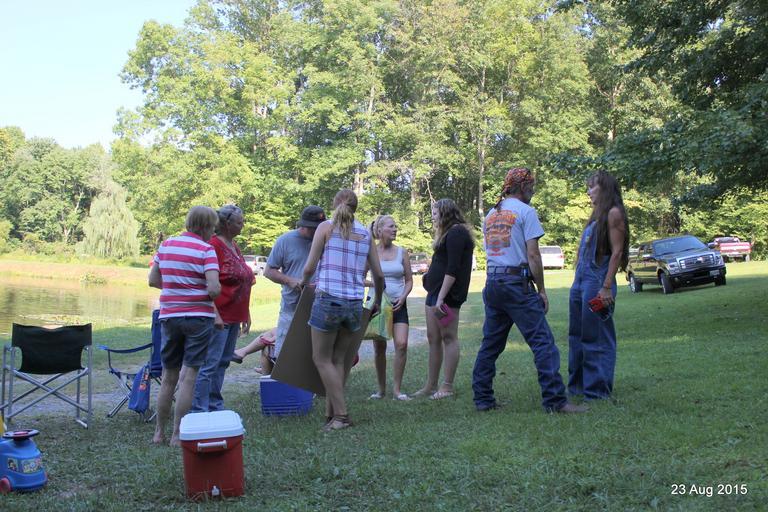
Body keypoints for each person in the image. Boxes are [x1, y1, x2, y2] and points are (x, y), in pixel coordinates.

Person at [471, 168, 586, 413]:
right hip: (516, 285)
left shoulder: (491, 214)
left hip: (493, 284)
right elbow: (533, 255)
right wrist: (541, 289)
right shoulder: (526, 212)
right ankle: (555, 401)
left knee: (491, 344)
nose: (533, 191)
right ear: (523, 187)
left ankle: (482, 399)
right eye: (531, 187)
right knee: (543, 343)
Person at [301, 190, 384, 431]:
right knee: (338, 359)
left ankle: (342, 415)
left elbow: (309, 267)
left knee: (321, 358)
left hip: (328, 299)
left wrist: (303, 283)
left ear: (335, 204)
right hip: (354, 303)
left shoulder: (325, 228)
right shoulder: (365, 233)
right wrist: (377, 300)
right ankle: (331, 414)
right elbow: (378, 275)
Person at [148, 206, 220, 446]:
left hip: (169, 317)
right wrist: (203, 291)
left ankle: (159, 433)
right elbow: (213, 289)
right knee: (188, 377)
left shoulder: (167, 245)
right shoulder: (206, 250)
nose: (213, 232)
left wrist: (175, 289)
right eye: (213, 227)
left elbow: (153, 280)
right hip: (198, 319)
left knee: (168, 377)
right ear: (206, 227)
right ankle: (177, 435)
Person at [234, 205, 327, 374]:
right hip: (292, 306)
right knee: (285, 353)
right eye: (313, 228)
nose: (316, 232)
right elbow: (269, 271)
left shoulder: (327, 240)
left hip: (321, 306)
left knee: (315, 354)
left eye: (319, 228)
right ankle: (282, 381)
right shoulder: (285, 241)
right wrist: (290, 281)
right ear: (303, 225)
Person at [568, 170, 629, 400]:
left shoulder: (614, 213)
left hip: (597, 282)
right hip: (581, 280)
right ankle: (577, 387)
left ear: (604, 188)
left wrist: (606, 287)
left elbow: (617, 253)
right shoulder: (596, 215)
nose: (588, 191)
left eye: (592, 187)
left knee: (597, 336)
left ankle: (597, 390)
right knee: (576, 335)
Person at [191, 204, 254, 412]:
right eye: (239, 222)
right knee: (210, 363)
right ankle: (199, 408)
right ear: (227, 224)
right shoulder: (214, 246)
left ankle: (214, 404)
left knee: (223, 361)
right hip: (218, 316)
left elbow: (244, 279)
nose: (243, 225)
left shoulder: (234, 246)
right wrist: (215, 314)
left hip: (235, 315)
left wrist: (246, 313)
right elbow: (206, 283)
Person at [414, 198, 474, 401]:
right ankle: (430, 385)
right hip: (435, 293)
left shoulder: (457, 232)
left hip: (447, 296)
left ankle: (446, 386)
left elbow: (453, 268)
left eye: (435, 213)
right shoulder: (446, 233)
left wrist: (441, 297)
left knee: (449, 337)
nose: (433, 217)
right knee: (433, 338)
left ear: (445, 213)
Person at [368, 215, 413, 401]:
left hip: (398, 304)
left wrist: (403, 296)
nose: (395, 229)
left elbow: (409, 280)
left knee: (401, 344)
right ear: (379, 231)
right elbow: (359, 277)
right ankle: (381, 390)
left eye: (396, 226)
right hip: (378, 305)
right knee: (379, 348)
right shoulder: (370, 252)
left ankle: (397, 391)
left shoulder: (402, 252)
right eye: (391, 226)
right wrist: (375, 285)